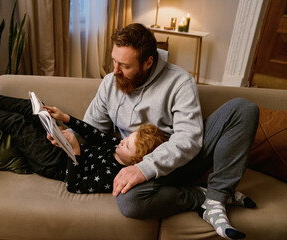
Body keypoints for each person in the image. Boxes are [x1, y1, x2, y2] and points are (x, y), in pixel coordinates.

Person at [82, 23, 259, 239]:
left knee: (243, 108)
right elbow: (92, 130)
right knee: (130, 202)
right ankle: (200, 196)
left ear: (148, 62)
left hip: (180, 162)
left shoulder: (179, 82)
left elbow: (189, 139)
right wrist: (67, 134)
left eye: (124, 65)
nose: (115, 71)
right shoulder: (111, 83)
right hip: (137, 164)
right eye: (114, 61)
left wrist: (145, 168)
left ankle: (217, 199)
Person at [0, 70, 168, 194]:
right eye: (127, 138)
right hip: (62, 148)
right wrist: (65, 118)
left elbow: (74, 185)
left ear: (135, 162)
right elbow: (93, 133)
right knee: (35, 108)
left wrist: (74, 153)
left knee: (17, 122)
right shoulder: (115, 146)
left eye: (128, 145)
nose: (122, 142)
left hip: (52, 163)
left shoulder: (113, 175)